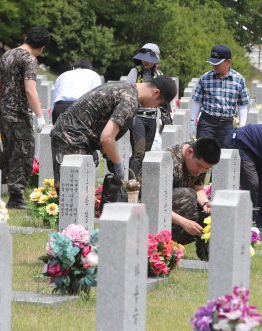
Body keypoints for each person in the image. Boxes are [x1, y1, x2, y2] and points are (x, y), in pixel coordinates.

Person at [50, 76, 177, 185]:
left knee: (74, 196)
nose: (155, 107)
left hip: (70, 134)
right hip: (71, 139)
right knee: (72, 195)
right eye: (159, 104)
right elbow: (107, 138)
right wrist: (118, 164)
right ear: (155, 92)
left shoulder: (124, 86)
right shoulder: (130, 100)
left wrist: (109, 155)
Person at [0, 26, 50, 209]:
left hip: (4, 112)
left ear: (26, 37)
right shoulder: (29, 59)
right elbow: (30, 89)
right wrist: (40, 116)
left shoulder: (7, 55)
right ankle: (16, 197)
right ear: (42, 47)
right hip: (19, 114)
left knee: (9, 150)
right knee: (23, 154)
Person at [168, 137, 221, 260]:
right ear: (189, 152)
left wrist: (205, 203)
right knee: (187, 195)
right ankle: (164, 245)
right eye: (199, 165)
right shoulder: (168, 160)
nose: (200, 171)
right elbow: (152, 204)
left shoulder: (199, 164)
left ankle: (208, 256)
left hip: (178, 212)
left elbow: (198, 188)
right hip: (153, 217)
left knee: (209, 212)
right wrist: (184, 222)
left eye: (206, 169)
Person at [125, 43, 172, 179]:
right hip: (137, 116)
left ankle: (140, 184)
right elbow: (127, 92)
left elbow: (164, 97)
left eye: (149, 59)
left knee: (146, 153)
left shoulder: (159, 75)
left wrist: (166, 115)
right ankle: (131, 185)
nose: (146, 62)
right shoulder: (135, 72)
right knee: (138, 152)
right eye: (144, 59)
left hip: (152, 118)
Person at [190, 44, 250, 145]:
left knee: (226, 155)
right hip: (207, 123)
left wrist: (242, 126)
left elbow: (242, 103)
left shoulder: (239, 80)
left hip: (227, 124)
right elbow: (197, 101)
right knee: (204, 154)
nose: (214, 66)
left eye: (218, 63)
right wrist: (192, 122)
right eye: (213, 63)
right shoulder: (205, 78)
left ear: (228, 62)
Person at [51, 59, 102, 124]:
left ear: (73, 68)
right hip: (81, 107)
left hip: (60, 107)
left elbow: (55, 96)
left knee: (58, 133)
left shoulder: (62, 75)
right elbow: (96, 97)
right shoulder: (94, 75)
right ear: (90, 69)